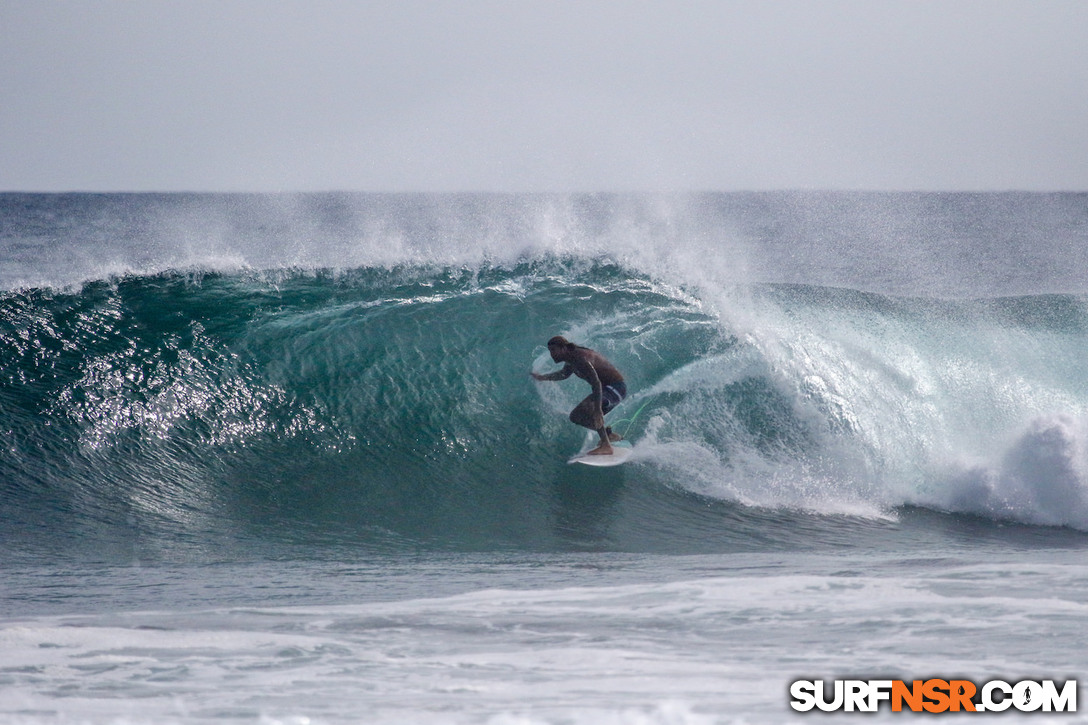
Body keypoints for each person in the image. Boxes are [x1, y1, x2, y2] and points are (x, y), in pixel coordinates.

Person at [531, 336, 626, 455]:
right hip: (607, 390)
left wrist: (597, 410)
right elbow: (564, 374)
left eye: (554, 350)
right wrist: (542, 378)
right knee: (575, 417)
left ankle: (606, 445)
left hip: (615, 388)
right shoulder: (571, 358)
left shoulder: (580, 358)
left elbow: (596, 383)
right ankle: (609, 435)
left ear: (563, 348)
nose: (552, 354)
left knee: (589, 407)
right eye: (550, 351)